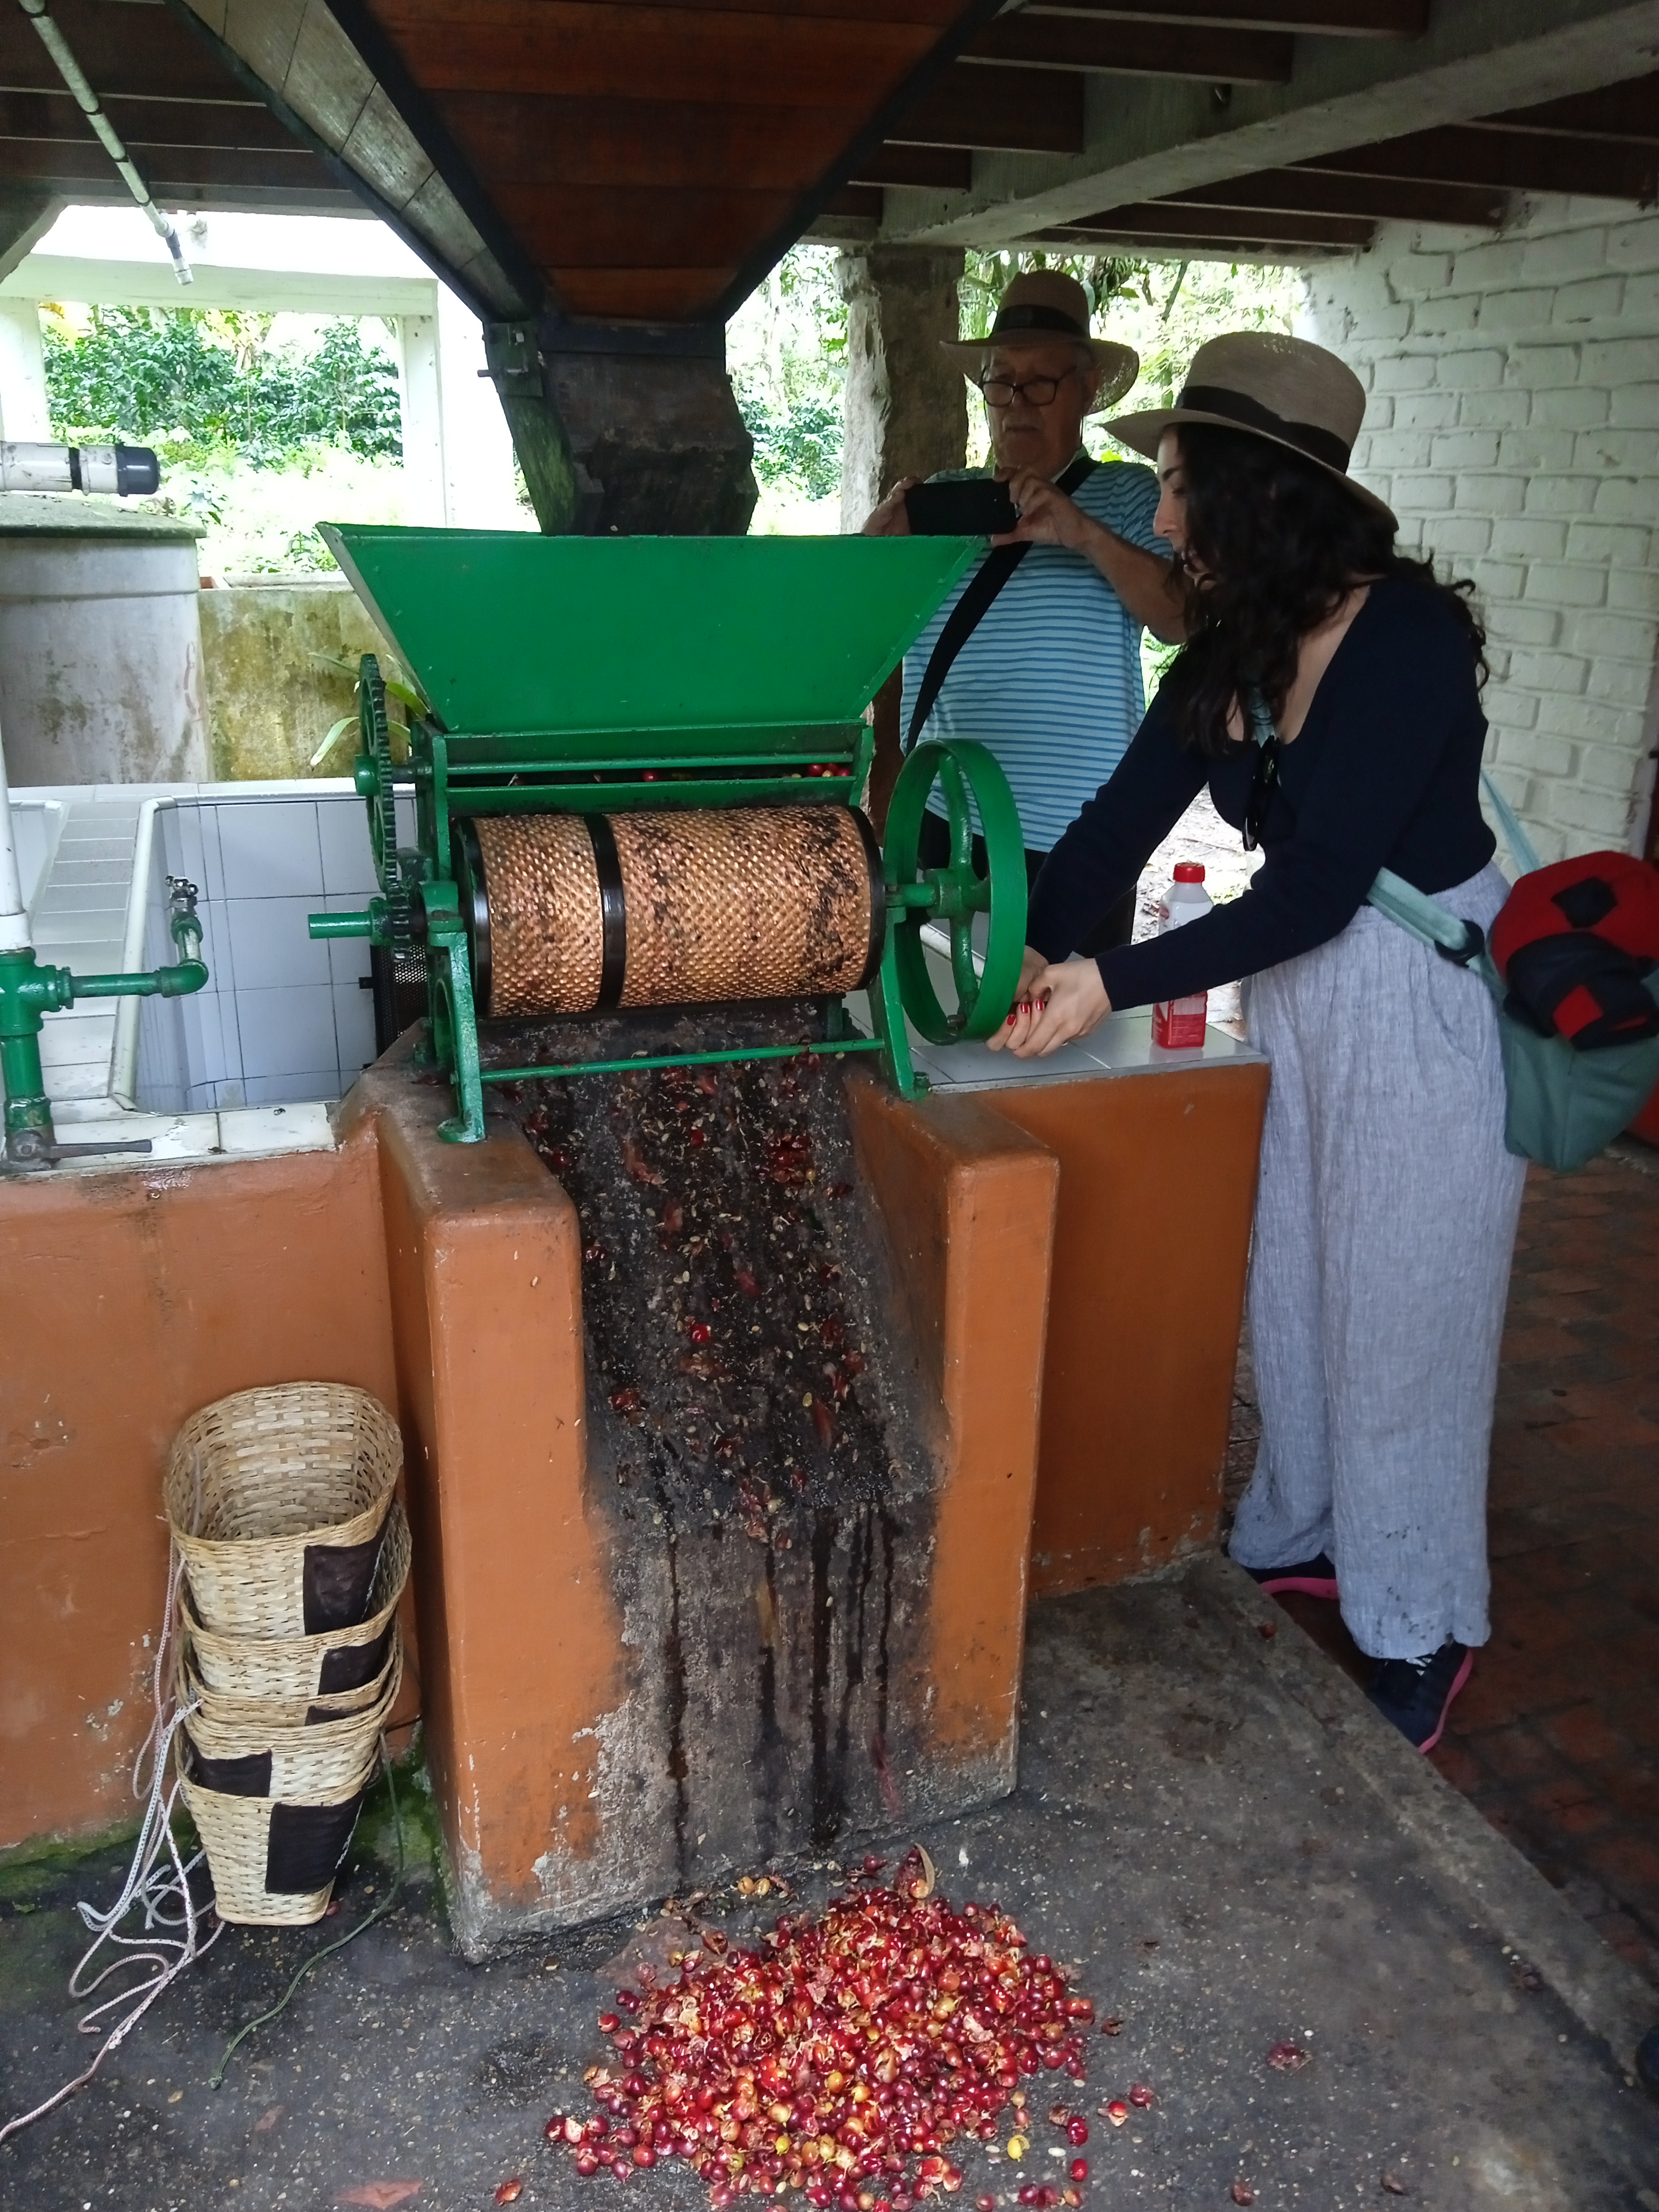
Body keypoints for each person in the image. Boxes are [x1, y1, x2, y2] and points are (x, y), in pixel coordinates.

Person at [990, 330, 1526, 1753]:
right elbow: (1119, 817)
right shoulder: (1236, 636)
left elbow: (1309, 891)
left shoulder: (1404, 641)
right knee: (1293, 1269)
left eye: (1174, 487)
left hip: (1422, 1002)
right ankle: (1304, 1524)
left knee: (1403, 1313)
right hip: (1308, 991)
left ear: (1256, 494)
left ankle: (1423, 1618)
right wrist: (1026, 944)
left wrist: (1108, 978)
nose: (1159, 520)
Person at [862, 271, 1183, 953]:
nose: (1016, 403)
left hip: (1077, 844)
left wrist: (1082, 532)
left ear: (1089, 385)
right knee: (939, 1026)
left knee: (1059, 1039)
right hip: (940, 818)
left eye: (1042, 381)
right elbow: (873, 646)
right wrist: (870, 566)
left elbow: (1182, 619)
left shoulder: (1132, 498)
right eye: (1001, 380)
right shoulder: (942, 505)